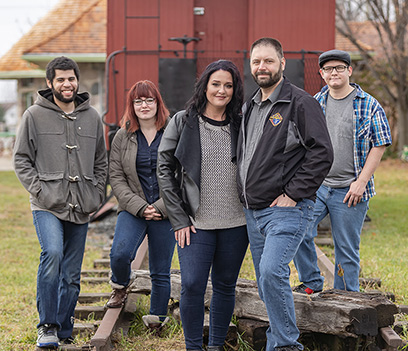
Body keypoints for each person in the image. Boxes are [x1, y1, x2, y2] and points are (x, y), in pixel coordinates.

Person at [237, 38, 334, 351]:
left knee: (270, 272)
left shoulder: (300, 103)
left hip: (286, 208)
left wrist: (293, 193)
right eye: (256, 62)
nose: (261, 67)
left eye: (268, 61)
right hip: (254, 211)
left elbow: (322, 153)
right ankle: (278, 340)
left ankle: (286, 345)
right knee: (267, 284)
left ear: (282, 63)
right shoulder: (250, 106)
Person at [13, 56, 107, 348]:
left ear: (77, 81)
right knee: (52, 254)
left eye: (71, 78)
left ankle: (64, 328)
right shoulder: (33, 115)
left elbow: (100, 161)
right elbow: (21, 159)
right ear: (50, 83)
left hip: (81, 204)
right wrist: (39, 190)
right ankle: (47, 325)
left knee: (72, 272)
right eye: (61, 79)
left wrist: (96, 193)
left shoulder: (92, 116)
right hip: (46, 204)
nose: (67, 84)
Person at [157, 60, 248, 351]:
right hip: (196, 223)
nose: (222, 91)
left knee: (224, 286)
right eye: (216, 84)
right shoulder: (184, 121)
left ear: (235, 90)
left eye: (228, 85)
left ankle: (216, 345)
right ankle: (193, 347)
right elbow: (164, 168)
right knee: (193, 284)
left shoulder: (241, 123)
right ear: (205, 86)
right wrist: (178, 218)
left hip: (236, 222)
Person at [293, 50, 392, 294]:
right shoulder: (315, 103)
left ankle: (345, 297)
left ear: (349, 70)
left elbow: (379, 144)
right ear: (321, 74)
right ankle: (311, 282)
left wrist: (361, 182)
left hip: (350, 189)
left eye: (339, 67)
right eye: (328, 69)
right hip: (318, 187)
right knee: (297, 231)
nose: (333, 72)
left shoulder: (368, 104)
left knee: (346, 249)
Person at [106, 80, 176, 333]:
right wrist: (139, 207)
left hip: (166, 211)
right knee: (120, 254)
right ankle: (121, 286)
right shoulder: (122, 137)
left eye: (149, 100)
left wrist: (159, 206)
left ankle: (157, 320)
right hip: (133, 209)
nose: (144, 105)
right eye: (138, 101)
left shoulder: (173, 132)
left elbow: (183, 175)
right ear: (132, 106)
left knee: (160, 269)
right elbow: (116, 177)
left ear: (158, 103)